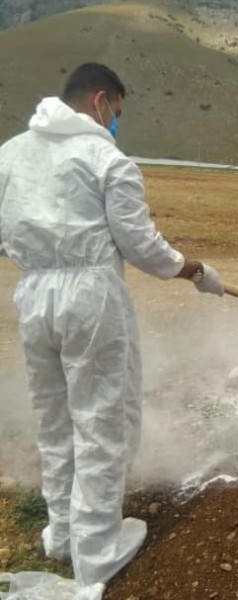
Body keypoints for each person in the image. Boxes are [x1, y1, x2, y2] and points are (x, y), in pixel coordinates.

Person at [0, 63, 224, 591]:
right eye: (117, 113)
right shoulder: (107, 158)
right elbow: (140, 246)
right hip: (90, 300)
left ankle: (62, 530)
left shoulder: (9, 154)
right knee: (101, 421)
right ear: (101, 101)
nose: (117, 123)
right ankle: (97, 549)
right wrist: (192, 269)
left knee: (54, 417)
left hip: (33, 294)